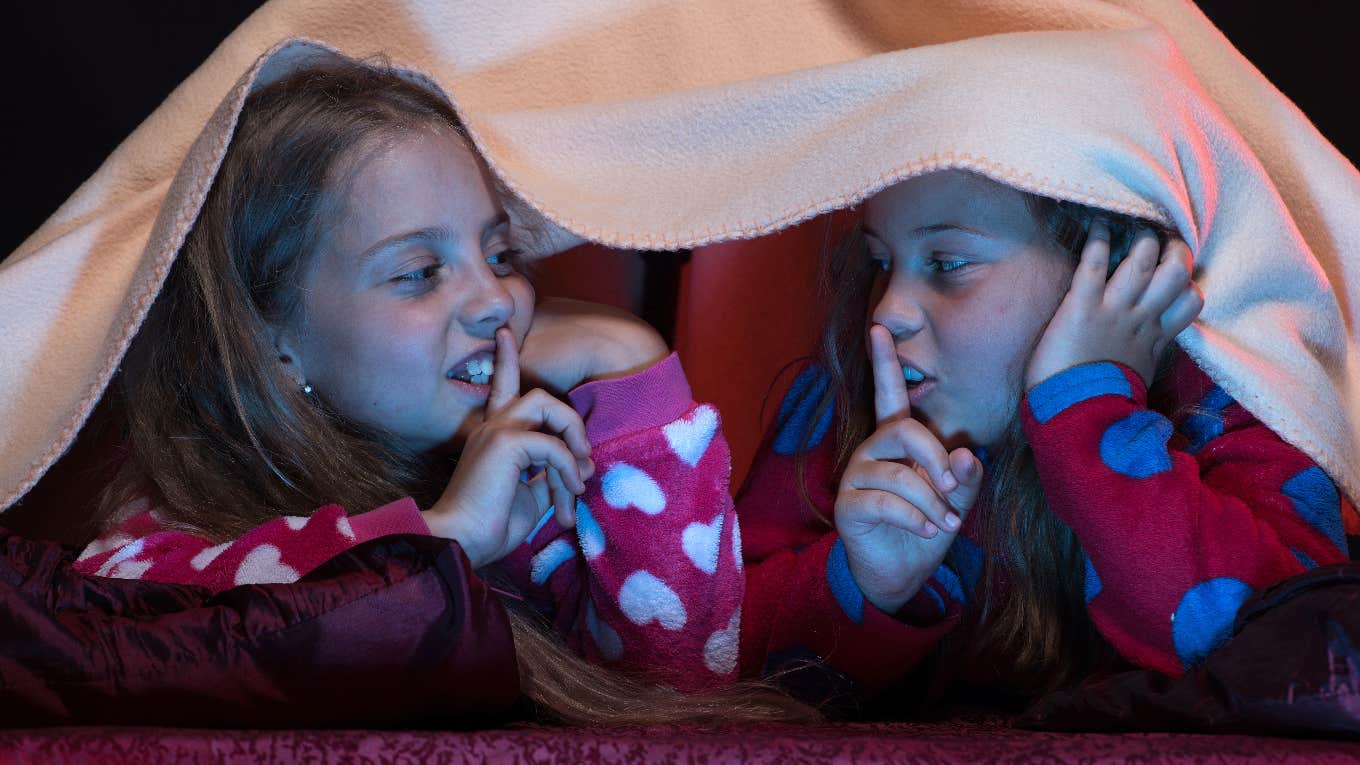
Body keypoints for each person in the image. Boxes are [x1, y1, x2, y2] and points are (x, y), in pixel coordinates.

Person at [69, 56, 786, 723]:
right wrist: (443, 536)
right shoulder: (172, 530)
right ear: (275, 343)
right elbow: (140, 638)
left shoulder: (539, 489)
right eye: (418, 272)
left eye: (501, 254)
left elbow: (681, 688)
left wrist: (630, 364)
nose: (497, 299)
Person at [737, 169, 1358, 704]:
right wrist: (864, 581)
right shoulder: (840, 403)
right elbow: (709, 654)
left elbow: (1302, 655)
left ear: (1112, 267)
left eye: (948, 264)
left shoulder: (1235, 405)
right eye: (880, 263)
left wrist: (1090, 415)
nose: (887, 310)